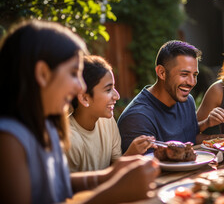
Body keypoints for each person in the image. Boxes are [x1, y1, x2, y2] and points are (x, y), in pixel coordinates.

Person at [0, 20, 159, 204]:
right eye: (73, 73)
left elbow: (59, 184)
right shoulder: (8, 140)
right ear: (43, 74)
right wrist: (112, 193)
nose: (80, 86)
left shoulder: (47, 128)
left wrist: (109, 175)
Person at [118, 40, 216, 153]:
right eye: (184, 74)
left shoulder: (187, 101)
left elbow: (192, 139)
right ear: (162, 73)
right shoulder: (137, 118)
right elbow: (147, 168)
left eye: (194, 75)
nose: (192, 82)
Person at [66, 55, 155, 172]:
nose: (117, 96)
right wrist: (130, 155)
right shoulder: (69, 140)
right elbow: (74, 188)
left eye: (114, 88)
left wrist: (132, 153)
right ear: (84, 98)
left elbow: (114, 171)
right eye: (108, 90)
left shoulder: (107, 121)